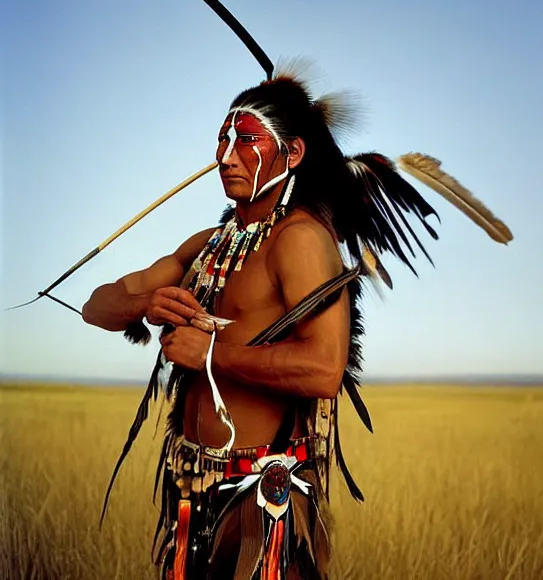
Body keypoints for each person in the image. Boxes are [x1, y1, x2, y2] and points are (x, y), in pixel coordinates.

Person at [82, 69, 445, 579]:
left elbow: (323, 371)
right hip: (188, 492)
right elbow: (96, 306)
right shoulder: (211, 244)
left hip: (262, 502)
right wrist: (146, 305)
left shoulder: (301, 240)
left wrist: (208, 354)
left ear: (291, 154)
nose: (226, 155)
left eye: (247, 140)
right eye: (223, 140)